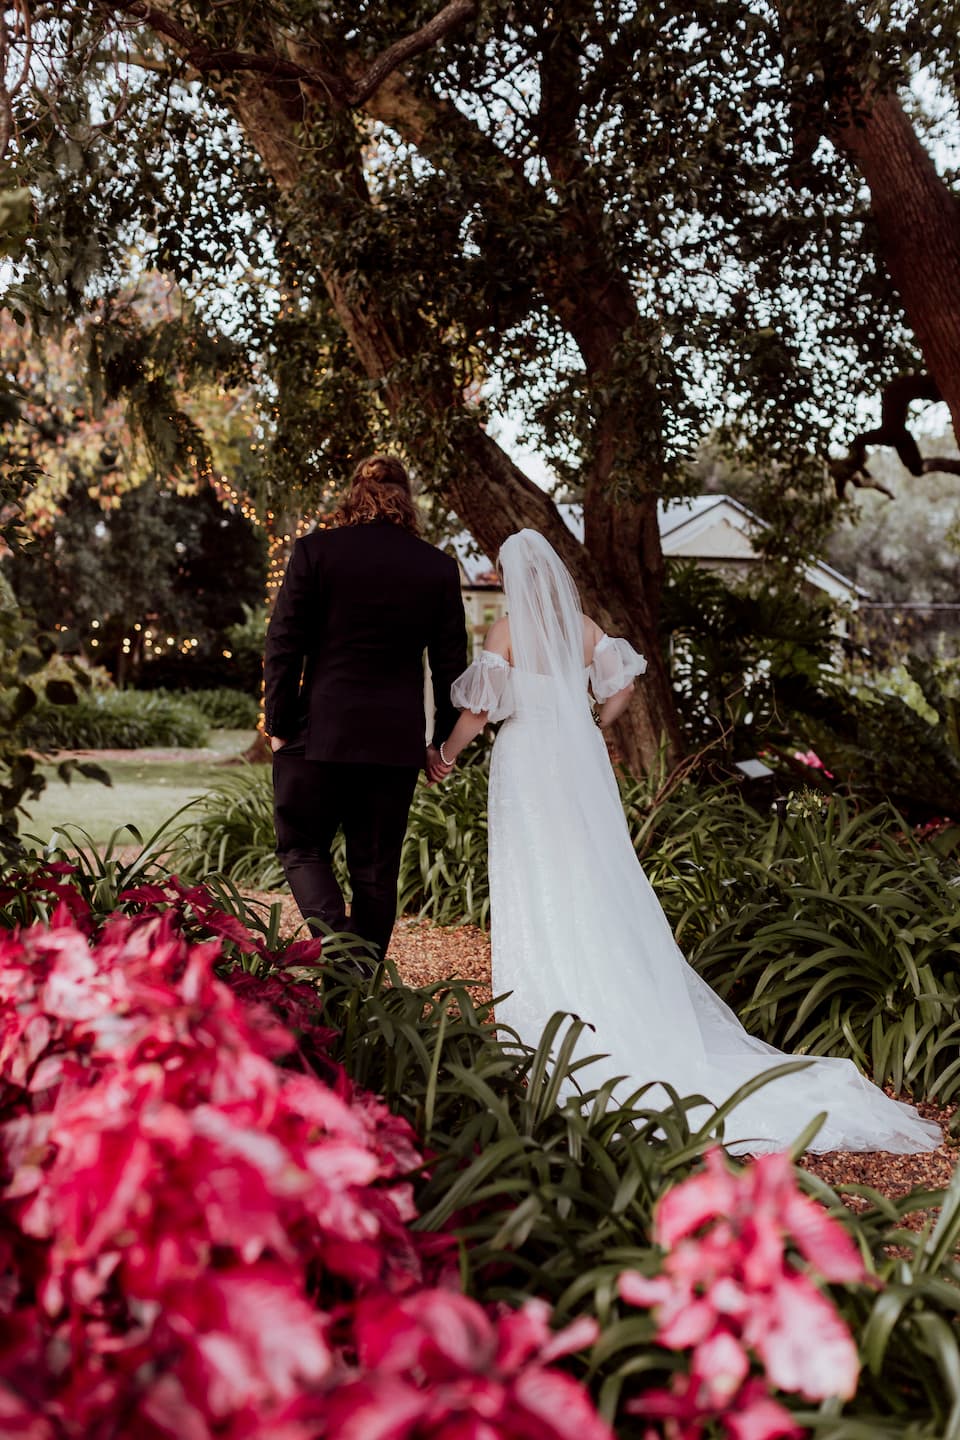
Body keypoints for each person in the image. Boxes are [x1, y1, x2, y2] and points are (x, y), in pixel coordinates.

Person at [436, 528, 940, 1154]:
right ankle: (608, 994)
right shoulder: (581, 627)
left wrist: (446, 756)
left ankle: (548, 1021)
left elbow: (479, 711)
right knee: (593, 872)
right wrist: (593, 719)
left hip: (528, 763)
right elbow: (623, 684)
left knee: (537, 875)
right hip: (577, 759)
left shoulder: (507, 631)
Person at [264, 454, 467, 966]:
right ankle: (358, 986)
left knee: (301, 848)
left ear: (354, 495)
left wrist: (278, 724)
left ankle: (342, 959)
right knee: (375, 874)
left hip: (318, 732)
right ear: (408, 500)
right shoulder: (437, 567)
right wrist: (440, 744)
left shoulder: (315, 551)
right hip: (393, 744)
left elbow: (283, 643)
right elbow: (450, 667)